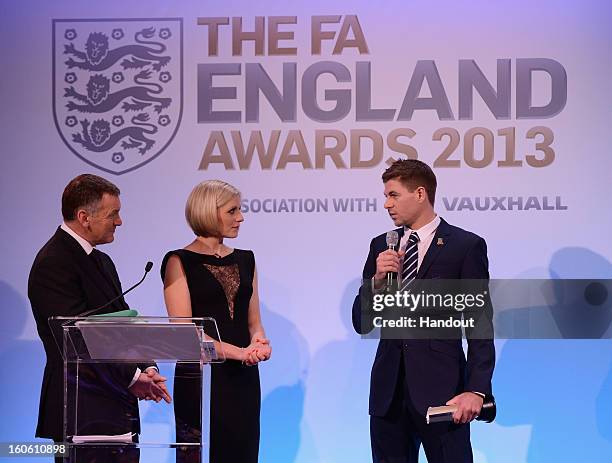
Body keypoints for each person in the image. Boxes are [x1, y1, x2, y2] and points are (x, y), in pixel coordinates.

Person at [352, 159, 495, 463]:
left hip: (444, 394)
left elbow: (479, 322)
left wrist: (477, 390)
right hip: (388, 396)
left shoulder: (465, 246)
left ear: (420, 193)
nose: (386, 204)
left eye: (393, 195)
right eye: (385, 196)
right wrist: (376, 283)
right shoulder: (382, 245)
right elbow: (362, 322)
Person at [28, 174, 171, 462]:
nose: (119, 222)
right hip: (81, 410)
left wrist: (147, 367)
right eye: (113, 214)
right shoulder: (54, 262)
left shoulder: (102, 260)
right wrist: (133, 377)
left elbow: (123, 323)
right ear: (84, 217)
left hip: (116, 408)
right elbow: (75, 336)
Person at [162, 179, 271, 463]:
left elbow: (253, 322)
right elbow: (183, 333)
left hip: (242, 378)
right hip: (201, 378)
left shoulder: (247, 259)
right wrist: (238, 352)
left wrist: (258, 341)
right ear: (209, 212)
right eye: (232, 211)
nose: (241, 217)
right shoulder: (179, 260)